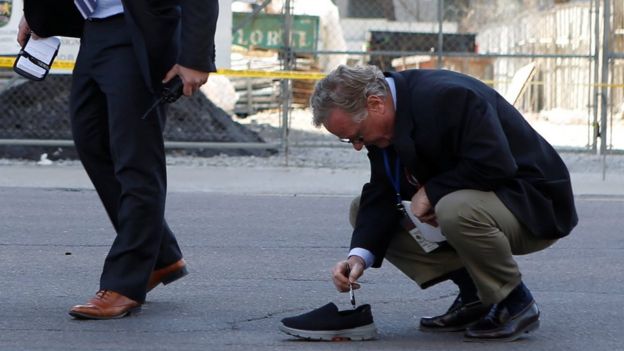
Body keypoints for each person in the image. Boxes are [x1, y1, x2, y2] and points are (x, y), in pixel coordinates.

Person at [309, 65, 578, 342]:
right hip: (483, 199)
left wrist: (432, 192)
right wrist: (359, 257)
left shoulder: (448, 97)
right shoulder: (384, 121)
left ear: (375, 104)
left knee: (453, 207)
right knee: (363, 210)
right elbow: (383, 188)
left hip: (533, 204)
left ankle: (514, 301)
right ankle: (476, 295)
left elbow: (495, 164)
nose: (356, 145)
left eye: (356, 136)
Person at [17, 0, 218, 319]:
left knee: (136, 159)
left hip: (139, 29)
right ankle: (161, 255)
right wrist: (36, 17)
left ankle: (125, 282)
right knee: (93, 143)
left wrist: (196, 55)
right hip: (95, 29)